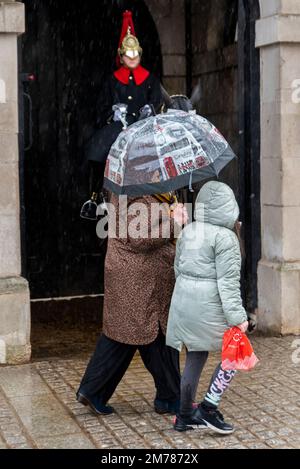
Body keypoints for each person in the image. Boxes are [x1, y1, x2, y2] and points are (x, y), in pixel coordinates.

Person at [76, 191, 189, 415]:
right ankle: (170, 397)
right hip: (139, 280)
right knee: (152, 334)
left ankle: (94, 390)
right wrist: (174, 222)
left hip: (138, 278)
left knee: (129, 335)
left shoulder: (141, 189)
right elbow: (140, 238)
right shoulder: (140, 193)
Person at [166, 181, 248, 434]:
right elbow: (228, 283)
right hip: (210, 306)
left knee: (195, 355)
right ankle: (209, 409)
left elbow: (177, 268)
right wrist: (238, 318)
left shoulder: (189, 230)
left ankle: (184, 415)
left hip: (184, 304)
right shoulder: (225, 238)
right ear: (229, 206)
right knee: (236, 351)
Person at [81, 10, 163, 219]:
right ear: (122, 56)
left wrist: (150, 109)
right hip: (120, 125)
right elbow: (101, 105)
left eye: (135, 55)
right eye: (128, 55)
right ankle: (95, 196)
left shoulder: (150, 79)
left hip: (143, 125)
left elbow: (157, 100)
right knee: (98, 151)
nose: (132, 59)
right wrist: (113, 111)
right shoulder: (112, 80)